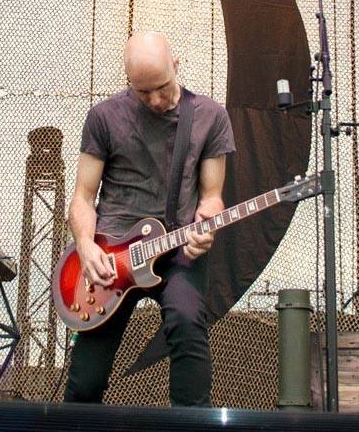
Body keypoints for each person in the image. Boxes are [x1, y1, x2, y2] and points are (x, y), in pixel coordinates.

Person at [63, 32, 235, 407]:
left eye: (161, 87)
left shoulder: (209, 117)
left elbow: (211, 198)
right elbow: (82, 198)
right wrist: (86, 245)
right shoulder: (104, 117)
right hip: (111, 256)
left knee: (188, 322)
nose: (155, 100)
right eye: (143, 93)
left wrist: (208, 223)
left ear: (176, 65)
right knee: (85, 383)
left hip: (175, 250)